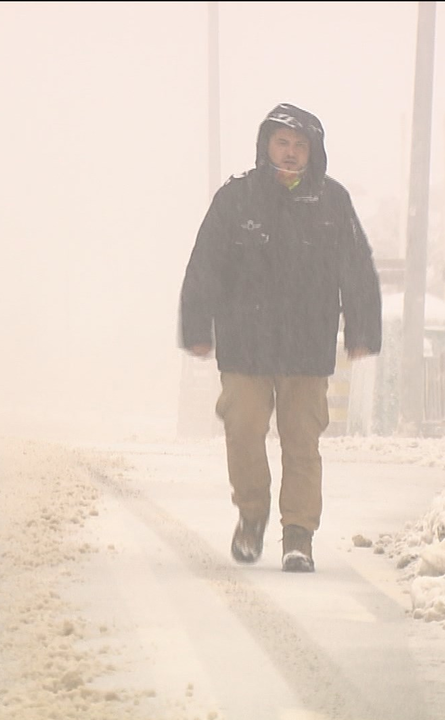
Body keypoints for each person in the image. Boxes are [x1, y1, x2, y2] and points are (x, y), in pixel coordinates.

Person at [178, 102, 383, 573]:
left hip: (306, 347)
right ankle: (252, 517)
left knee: (301, 442)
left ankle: (298, 534)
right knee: (243, 428)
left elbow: (357, 268)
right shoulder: (237, 200)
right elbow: (204, 264)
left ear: (314, 152)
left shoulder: (333, 203)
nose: (290, 154)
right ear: (265, 145)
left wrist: (362, 327)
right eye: (282, 143)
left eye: (300, 146)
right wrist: (197, 326)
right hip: (245, 343)